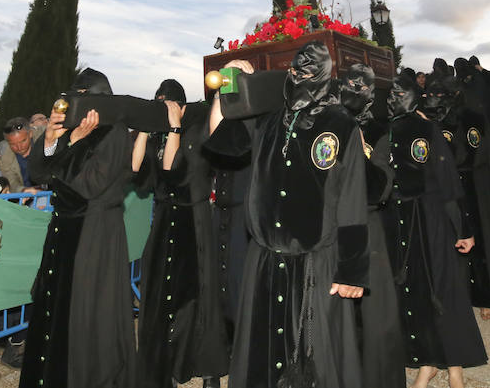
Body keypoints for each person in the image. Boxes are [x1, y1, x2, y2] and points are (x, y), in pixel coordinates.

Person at [204, 43, 369, 388]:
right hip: (264, 263)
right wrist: (226, 88)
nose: (298, 78)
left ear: (325, 77)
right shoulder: (267, 118)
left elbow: (353, 201)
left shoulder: (341, 126)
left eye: (308, 73)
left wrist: (352, 270)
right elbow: (221, 140)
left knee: (319, 365)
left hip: (315, 268)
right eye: (294, 71)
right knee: (259, 360)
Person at [19, 69, 135, 388]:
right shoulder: (72, 129)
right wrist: (55, 140)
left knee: (87, 311)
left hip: (95, 231)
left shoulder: (115, 132)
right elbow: (40, 174)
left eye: (81, 97)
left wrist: (70, 146)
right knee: (54, 305)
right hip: (66, 227)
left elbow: (87, 186)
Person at [383, 75, 486, 388]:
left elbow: (448, 183)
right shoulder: (386, 130)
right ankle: (427, 362)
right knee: (414, 293)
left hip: (432, 221)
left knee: (445, 291)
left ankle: (455, 365)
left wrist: (462, 229)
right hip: (401, 223)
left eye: (399, 93)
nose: (392, 98)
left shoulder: (428, 129)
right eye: (391, 93)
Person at [132, 79, 227, 388]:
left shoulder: (197, 130)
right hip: (164, 219)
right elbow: (138, 175)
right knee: (158, 292)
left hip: (192, 219)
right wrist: (146, 130)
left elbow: (174, 170)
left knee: (197, 294)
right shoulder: (160, 135)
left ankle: (207, 366)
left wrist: (174, 128)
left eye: (168, 106)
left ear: (182, 107)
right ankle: (163, 361)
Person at [423, 73, 490, 321]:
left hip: (477, 186)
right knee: (454, 246)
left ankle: (486, 299)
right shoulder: (427, 124)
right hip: (446, 191)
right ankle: (459, 299)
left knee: (484, 245)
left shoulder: (473, 118)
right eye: (430, 95)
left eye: (440, 95)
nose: (435, 99)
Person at [338, 64, 404, 388]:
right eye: (349, 85)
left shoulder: (379, 132)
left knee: (377, 321)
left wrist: (359, 149)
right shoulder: (330, 129)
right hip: (335, 232)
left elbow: (379, 190)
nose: (354, 92)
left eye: (361, 87)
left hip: (370, 231)